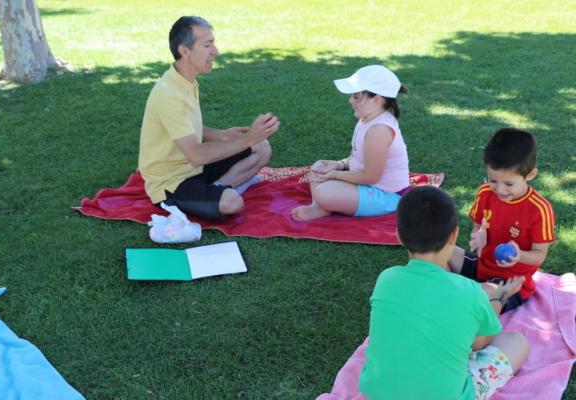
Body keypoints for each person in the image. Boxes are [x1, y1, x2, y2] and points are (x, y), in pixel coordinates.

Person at [359, 186, 529, 400]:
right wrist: (499, 297)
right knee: (517, 342)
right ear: (454, 235)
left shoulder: (386, 279)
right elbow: (480, 343)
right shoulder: (471, 293)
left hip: (380, 392)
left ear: (399, 236)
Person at [138, 16, 280, 220]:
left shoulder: (184, 80)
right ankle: (221, 192)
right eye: (207, 45)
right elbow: (196, 156)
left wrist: (221, 135)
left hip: (195, 169)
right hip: (172, 183)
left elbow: (186, 127)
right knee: (233, 203)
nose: (216, 51)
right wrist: (248, 138)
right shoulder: (169, 93)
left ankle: (215, 189)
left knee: (262, 146)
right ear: (184, 50)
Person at [448, 128, 555, 312]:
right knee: (442, 251)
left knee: (481, 302)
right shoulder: (484, 193)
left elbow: (539, 254)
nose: (499, 190)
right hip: (481, 266)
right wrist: (479, 234)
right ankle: (447, 291)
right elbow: (477, 226)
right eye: (493, 180)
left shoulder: (539, 209)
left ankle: (470, 297)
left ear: (530, 175)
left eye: (509, 184)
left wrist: (519, 255)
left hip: (511, 282)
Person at [291, 65, 409, 221]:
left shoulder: (378, 131)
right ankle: (319, 206)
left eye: (356, 96)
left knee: (325, 192)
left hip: (387, 196)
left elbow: (371, 177)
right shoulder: (366, 119)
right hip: (367, 186)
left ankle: (322, 203)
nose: (350, 100)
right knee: (319, 166)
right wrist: (339, 164)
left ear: (377, 100)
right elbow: (359, 158)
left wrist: (335, 174)